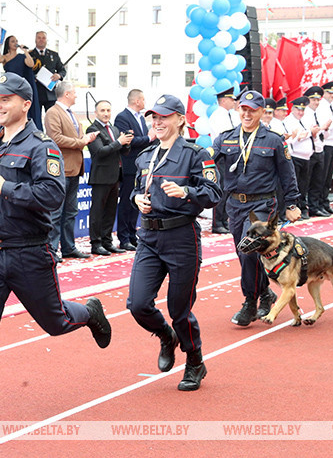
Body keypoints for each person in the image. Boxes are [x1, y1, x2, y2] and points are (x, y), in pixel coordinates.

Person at [0, 72, 111, 440]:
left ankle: (89, 311)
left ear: (26, 104)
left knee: (56, 322)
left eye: (5, 99)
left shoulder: (41, 147)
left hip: (30, 252)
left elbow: (51, 196)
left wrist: (8, 187)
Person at [126, 94, 222, 391]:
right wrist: (137, 199)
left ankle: (195, 360)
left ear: (180, 119)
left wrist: (187, 193)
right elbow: (134, 190)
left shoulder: (196, 154)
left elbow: (213, 193)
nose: (158, 122)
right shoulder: (145, 156)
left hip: (181, 237)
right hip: (150, 237)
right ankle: (167, 337)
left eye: (164, 117)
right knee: (138, 304)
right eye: (154, 117)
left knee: (179, 309)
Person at [211, 90, 301, 326]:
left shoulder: (273, 139)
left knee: (247, 250)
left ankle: (250, 302)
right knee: (246, 255)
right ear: (238, 109)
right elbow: (206, 161)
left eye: (252, 109)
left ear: (262, 112)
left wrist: (292, 203)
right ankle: (265, 294)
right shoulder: (226, 138)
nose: (247, 113)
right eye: (243, 109)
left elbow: (287, 174)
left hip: (262, 205)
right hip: (234, 205)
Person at [44, 80, 96, 260]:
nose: (76, 95)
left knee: (71, 212)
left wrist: (85, 138)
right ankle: (52, 249)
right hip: (61, 169)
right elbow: (55, 138)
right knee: (56, 213)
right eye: (74, 92)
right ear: (66, 94)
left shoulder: (72, 113)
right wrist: (82, 142)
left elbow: (76, 137)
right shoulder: (53, 113)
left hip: (75, 168)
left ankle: (68, 247)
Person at [86, 100, 133, 255]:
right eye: (102, 110)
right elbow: (100, 152)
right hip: (100, 176)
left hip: (115, 175)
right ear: (96, 113)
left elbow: (122, 152)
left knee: (111, 211)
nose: (106, 113)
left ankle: (107, 241)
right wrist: (119, 142)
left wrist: (126, 143)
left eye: (108, 110)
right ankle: (96, 243)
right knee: (97, 211)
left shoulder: (113, 128)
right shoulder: (92, 129)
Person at [114, 89, 154, 251]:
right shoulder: (123, 117)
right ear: (137, 101)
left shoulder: (141, 118)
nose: (144, 102)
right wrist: (149, 138)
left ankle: (132, 233)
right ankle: (123, 237)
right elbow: (128, 141)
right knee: (126, 202)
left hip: (142, 167)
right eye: (143, 99)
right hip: (129, 166)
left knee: (137, 202)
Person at [209, 87, 239, 234]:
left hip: (231, 155)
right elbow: (225, 136)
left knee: (228, 189)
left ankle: (224, 219)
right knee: (221, 189)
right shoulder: (218, 115)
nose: (234, 102)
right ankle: (217, 222)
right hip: (222, 155)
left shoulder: (228, 115)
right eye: (231, 99)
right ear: (224, 100)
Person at [0, 35, 41, 129]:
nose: (15, 43)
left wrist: (25, 51)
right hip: (9, 86)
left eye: (16, 41)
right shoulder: (5, 57)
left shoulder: (21, 56)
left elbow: (31, 64)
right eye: (12, 41)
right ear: (8, 44)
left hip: (20, 86)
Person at [283, 96, 316, 219]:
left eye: (303, 110)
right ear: (292, 109)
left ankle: (302, 207)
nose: (300, 113)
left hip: (306, 157)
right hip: (295, 156)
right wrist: (306, 133)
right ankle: (294, 208)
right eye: (298, 109)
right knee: (295, 185)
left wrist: (307, 133)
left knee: (304, 185)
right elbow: (291, 139)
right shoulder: (288, 121)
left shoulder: (304, 121)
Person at [302, 86, 328, 217]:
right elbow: (308, 132)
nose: (316, 102)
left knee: (318, 181)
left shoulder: (316, 113)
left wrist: (324, 129)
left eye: (318, 100)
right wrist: (320, 129)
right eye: (313, 99)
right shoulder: (304, 114)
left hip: (319, 149)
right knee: (306, 182)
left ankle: (314, 206)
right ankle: (304, 207)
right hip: (309, 152)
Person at [317, 81, 333, 214]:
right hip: (325, 143)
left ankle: (325, 202)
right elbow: (324, 125)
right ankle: (319, 203)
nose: (332, 95)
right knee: (322, 176)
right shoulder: (322, 107)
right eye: (329, 92)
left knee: (328, 176)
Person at [29, 31, 66, 117]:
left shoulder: (54, 55)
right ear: (35, 40)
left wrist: (58, 75)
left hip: (50, 93)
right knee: (35, 117)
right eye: (39, 38)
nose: (41, 40)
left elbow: (62, 70)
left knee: (53, 118)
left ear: (46, 40)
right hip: (35, 92)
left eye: (43, 38)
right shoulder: (29, 55)